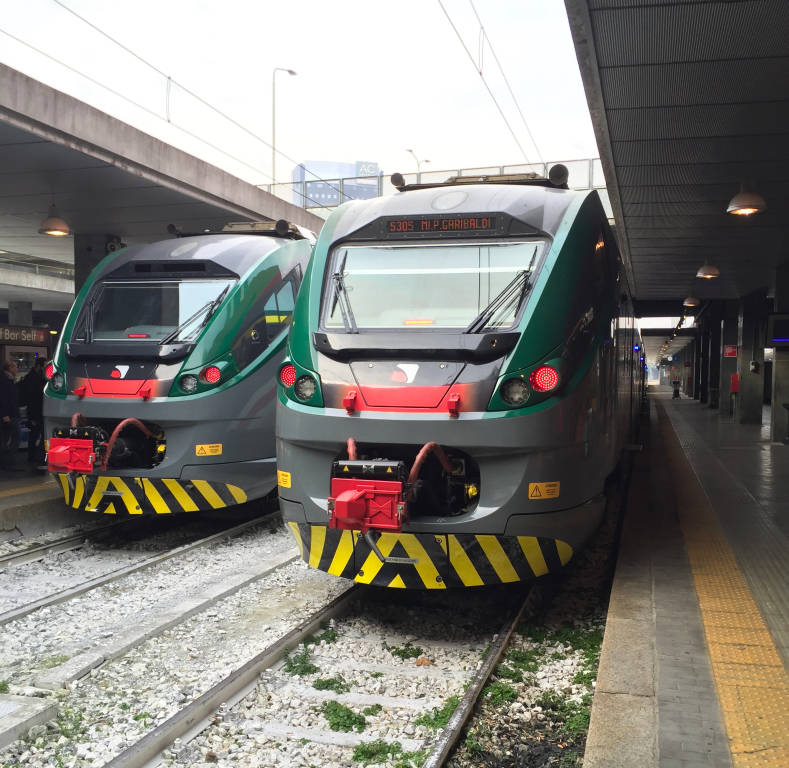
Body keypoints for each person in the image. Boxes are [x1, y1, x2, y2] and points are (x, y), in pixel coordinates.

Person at [20, 358, 46, 469]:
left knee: (37, 434)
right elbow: (32, 399)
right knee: (35, 434)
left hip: (39, 411)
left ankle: (36, 456)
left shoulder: (35, 377)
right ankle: (34, 456)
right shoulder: (32, 379)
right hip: (35, 412)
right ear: (39, 366)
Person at [0, 360, 22, 470]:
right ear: (10, 368)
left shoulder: (9, 380)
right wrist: (4, 414)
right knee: (14, 437)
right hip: (9, 415)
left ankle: (7, 461)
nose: (17, 369)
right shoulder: (5, 381)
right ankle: (9, 461)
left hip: (11, 414)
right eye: (15, 367)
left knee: (7, 438)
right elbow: (3, 399)